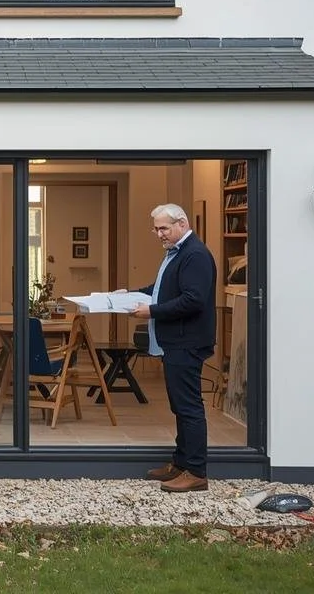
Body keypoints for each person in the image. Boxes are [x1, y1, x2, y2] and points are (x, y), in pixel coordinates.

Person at [130, 202, 217, 493]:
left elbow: (193, 300)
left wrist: (151, 312)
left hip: (187, 342)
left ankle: (196, 472)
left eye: (164, 228)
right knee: (179, 406)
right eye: (155, 229)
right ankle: (180, 464)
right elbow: (161, 290)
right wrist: (130, 295)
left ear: (182, 224)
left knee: (189, 407)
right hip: (175, 342)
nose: (159, 234)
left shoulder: (195, 255)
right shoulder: (176, 254)